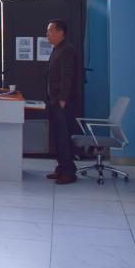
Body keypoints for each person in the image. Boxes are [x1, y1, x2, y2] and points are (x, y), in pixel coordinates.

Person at [46, 19, 80, 185]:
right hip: (55, 101)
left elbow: (67, 77)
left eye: (50, 31)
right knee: (57, 137)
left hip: (62, 103)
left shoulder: (67, 50)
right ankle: (61, 167)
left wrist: (62, 99)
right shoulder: (57, 49)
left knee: (63, 137)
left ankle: (69, 172)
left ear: (60, 33)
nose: (47, 34)